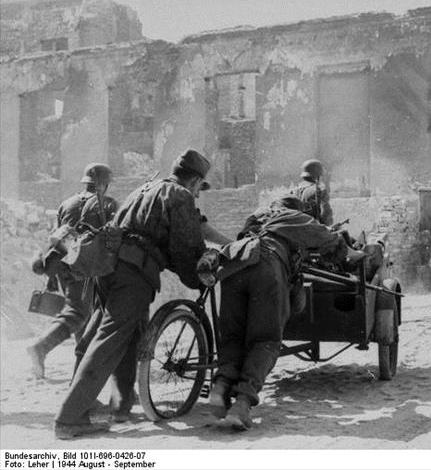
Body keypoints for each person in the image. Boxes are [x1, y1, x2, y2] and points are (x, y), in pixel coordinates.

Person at [54, 150, 211, 439]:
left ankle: (120, 406)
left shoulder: (146, 186)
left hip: (110, 267)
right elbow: (185, 247)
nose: (199, 193)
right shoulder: (179, 195)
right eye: (201, 187)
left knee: (120, 335)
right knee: (110, 339)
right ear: (195, 180)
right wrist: (199, 278)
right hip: (135, 272)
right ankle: (70, 417)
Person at [203, 195, 363, 430]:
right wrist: (353, 254)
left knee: (234, 335)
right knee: (265, 339)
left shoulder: (256, 216)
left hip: (234, 264)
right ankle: (242, 405)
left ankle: (220, 388)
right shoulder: (297, 217)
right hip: (268, 265)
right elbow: (333, 243)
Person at [27, 163, 118, 379]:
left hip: (63, 264)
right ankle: (41, 347)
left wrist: (51, 274)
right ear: (104, 185)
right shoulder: (108, 204)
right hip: (86, 268)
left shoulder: (66, 203)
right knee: (78, 313)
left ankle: (83, 368)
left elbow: (56, 237)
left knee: (82, 315)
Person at [290, 159, 333, 225]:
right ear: (317, 175)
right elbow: (327, 215)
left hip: (297, 228)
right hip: (313, 229)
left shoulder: (294, 191)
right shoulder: (320, 190)